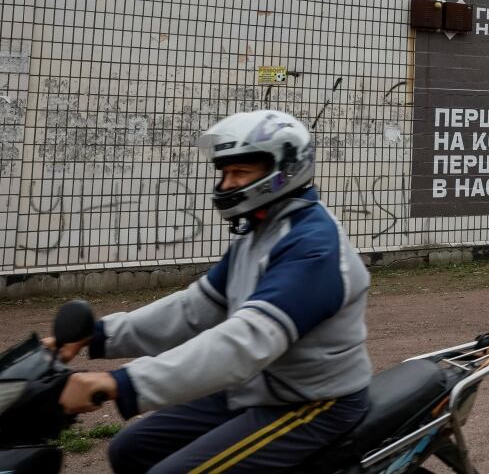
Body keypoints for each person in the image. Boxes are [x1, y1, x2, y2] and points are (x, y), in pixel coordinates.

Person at [48, 110, 373, 473]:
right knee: (131, 449)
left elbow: (243, 343)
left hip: (313, 403)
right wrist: (98, 336)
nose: (227, 183)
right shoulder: (259, 234)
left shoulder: (313, 247)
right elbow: (195, 308)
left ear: (283, 170)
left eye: (240, 173)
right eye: (225, 173)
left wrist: (121, 382)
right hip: (261, 385)